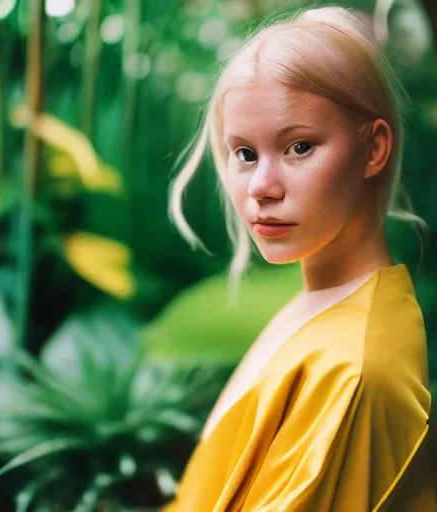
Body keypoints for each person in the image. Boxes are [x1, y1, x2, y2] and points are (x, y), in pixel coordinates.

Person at [162, 4, 437, 511]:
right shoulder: (324, 307)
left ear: (374, 149)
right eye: (244, 153)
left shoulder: (354, 369)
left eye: (299, 147)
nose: (261, 188)